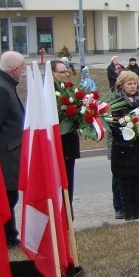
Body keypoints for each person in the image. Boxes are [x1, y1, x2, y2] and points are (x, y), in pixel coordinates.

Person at [0, 51, 26, 249]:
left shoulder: (5, 84)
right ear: (15, 69)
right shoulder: (1, 89)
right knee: (6, 199)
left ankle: (10, 236)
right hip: (4, 155)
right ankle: (6, 239)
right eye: (23, 69)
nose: (23, 72)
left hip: (9, 153)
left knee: (10, 198)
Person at [110, 71, 139, 220]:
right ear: (121, 85)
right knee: (122, 180)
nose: (133, 86)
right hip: (123, 146)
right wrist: (128, 133)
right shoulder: (116, 101)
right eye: (129, 83)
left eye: (135, 83)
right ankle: (121, 207)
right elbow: (113, 124)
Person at [50, 60, 80, 212]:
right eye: (61, 72)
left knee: (69, 182)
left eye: (66, 71)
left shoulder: (69, 90)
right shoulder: (49, 92)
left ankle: (68, 213)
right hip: (57, 144)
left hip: (69, 144)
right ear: (52, 73)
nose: (65, 74)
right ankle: (61, 214)